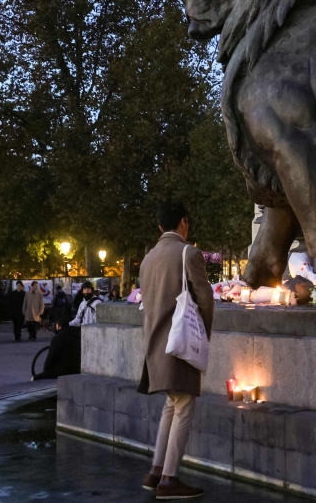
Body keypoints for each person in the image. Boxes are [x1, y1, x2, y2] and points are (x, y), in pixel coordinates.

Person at [138, 200, 213, 500]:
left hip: (154, 344)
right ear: (183, 222)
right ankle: (169, 480)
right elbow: (205, 298)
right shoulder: (188, 253)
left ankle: (156, 472)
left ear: (159, 226)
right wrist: (204, 336)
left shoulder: (147, 259)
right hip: (180, 342)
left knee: (172, 404)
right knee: (184, 406)